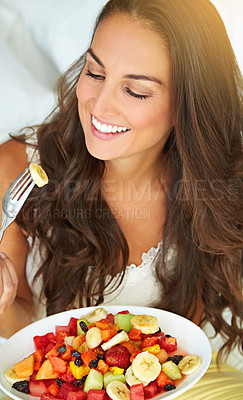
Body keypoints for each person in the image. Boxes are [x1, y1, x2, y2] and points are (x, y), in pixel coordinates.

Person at [0, 0, 242, 395]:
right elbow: (25, 339)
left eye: (134, 91)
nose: (100, 104)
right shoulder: (17, 170)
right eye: (95, 72)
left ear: (188, 104)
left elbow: (186, 346)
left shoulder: (217, 184)